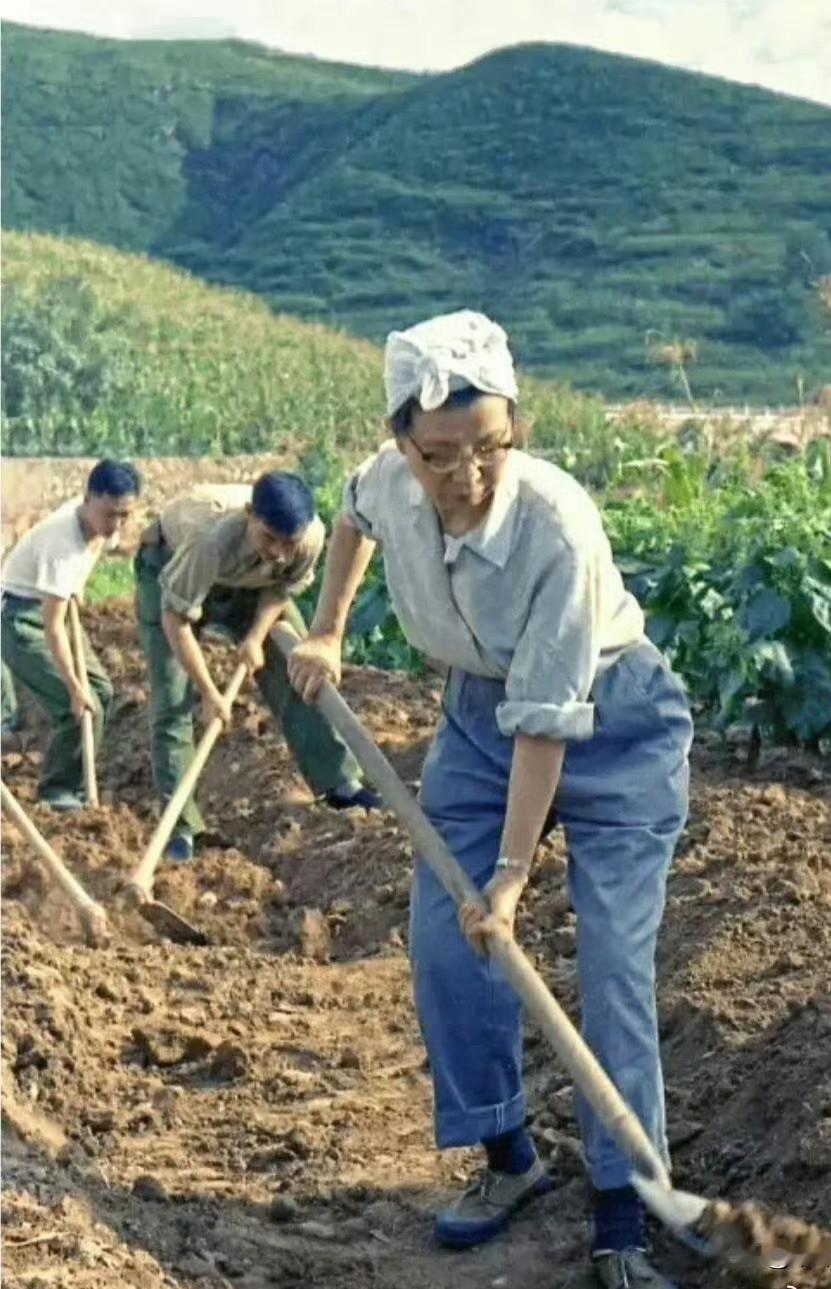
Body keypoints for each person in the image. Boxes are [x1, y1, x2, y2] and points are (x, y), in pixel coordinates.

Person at [288, 312, 692, 1289]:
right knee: (442, 939)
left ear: (517, 428)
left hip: (610, 719)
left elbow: (547, 724)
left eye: (489, 449)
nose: (464, 477)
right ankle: (508, 1155)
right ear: (401, 441)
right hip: (476, 715)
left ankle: (623, 1213)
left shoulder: (554, 524)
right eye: (437, 456)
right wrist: (327, 626)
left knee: (610, 963)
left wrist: (510, 878)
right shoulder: (389, 480)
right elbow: (350, 518)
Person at [134, 472, 379, 864]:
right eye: (270, 538)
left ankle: (339, 783)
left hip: (252, 584)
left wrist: (254, 638)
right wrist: (211, 693)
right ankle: (180, 830)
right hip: (172, 571)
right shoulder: (207, 541)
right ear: (250, 515)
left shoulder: (309, 537)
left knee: (300, 665)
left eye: (289, 543)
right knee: (173, 698)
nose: (281, 552)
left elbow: (280, 586)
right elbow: (175, 619)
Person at [0, 459, 141, 810]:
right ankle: (57, 790)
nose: (116, 525)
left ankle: (80, 781)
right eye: (110, 514)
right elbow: (52, 628)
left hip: (49, 608)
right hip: (18, 619)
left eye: (125, 515)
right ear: (87, 499)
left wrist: (74, 587)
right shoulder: (60, 544)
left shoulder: (99, 525)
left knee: (103, 692)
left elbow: (101, 548)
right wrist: (76, 689)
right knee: (72, 705)